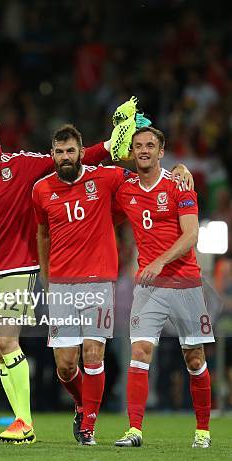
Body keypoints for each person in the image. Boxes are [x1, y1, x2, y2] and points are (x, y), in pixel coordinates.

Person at [0, 115, 115, 444]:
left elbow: (71, 157)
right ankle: (27, 416)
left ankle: (24, 423)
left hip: (18, 269)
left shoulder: (21, 166)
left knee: (6, 342)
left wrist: (108, 145)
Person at [113, 127, 214, 449]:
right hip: (149, 286)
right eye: (138, 146)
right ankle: (134, 430)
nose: (144, 150)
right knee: (140, 352)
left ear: (161, 151)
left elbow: (191, 235)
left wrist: (159, 261)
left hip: (185, 282)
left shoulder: (178, 185)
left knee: (194, 358)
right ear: (132, 151)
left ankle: (202, 431)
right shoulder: (125, 189)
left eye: (150, 146)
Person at [32, 124, 131, 445]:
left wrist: (177, 171)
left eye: (70, 151)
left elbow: (145, 175)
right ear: (52, 155)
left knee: (93, 354)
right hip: (61, 283)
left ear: (81, 152)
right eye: (59, 152)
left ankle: (88, 425)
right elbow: (42, 234)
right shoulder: (41, 190)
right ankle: (82, 403)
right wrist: (45, 276)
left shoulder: (105, 177)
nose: (65, 157)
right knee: (65, 365)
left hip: (99, 280)